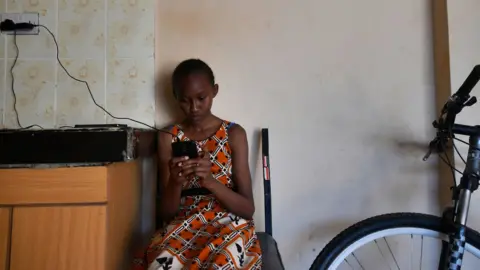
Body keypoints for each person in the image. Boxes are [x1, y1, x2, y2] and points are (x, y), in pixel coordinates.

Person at [133, 59, 262, 269]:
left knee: (222, 262)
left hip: (228, 224)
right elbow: (166, 214)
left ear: (215, 91)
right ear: (175, 98)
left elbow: (248, 209)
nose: (194, 108)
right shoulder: (168, 137)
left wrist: (210, 182)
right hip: (184, 224)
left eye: (201, 98)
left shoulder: (233, 134)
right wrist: (175, 183)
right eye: (184, 100)